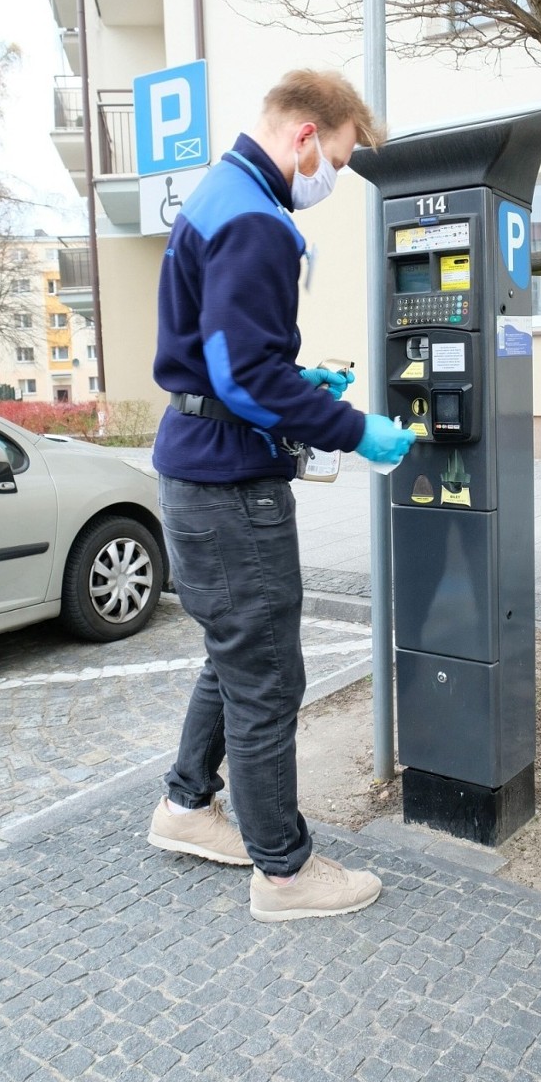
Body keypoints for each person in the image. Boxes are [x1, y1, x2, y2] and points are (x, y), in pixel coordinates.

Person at [148, 68, 416, 922]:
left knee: (234, 653)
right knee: (266, 676)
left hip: (195, 465)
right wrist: (352, 425)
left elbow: (222, 359)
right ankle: (286, 871)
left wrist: (298, 376)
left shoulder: (219, 196)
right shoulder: (259, 220)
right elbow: (243, 376)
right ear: (305, 135)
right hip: (231, 485)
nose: (330, 179)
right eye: (335, 159)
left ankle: (187, 806)